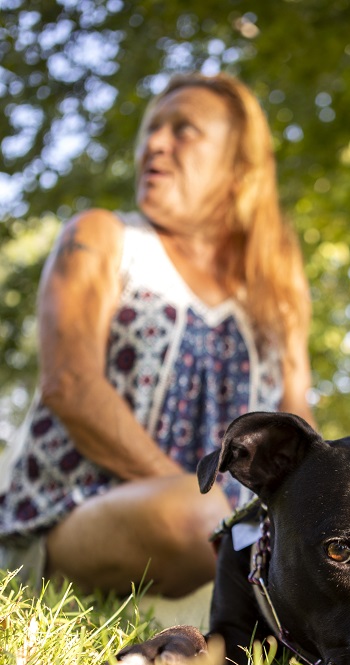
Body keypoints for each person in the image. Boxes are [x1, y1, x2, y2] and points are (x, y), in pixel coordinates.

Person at [0, 72, 313, 598]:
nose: (155, 144)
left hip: (226, 540)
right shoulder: (103, 237)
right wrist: (205, 499)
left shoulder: (277, 295)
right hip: (72, 518)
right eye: (152, 129)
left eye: (183, 130)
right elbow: (71, 386)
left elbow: (300, 423)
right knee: (197, 520)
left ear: (238, 167)